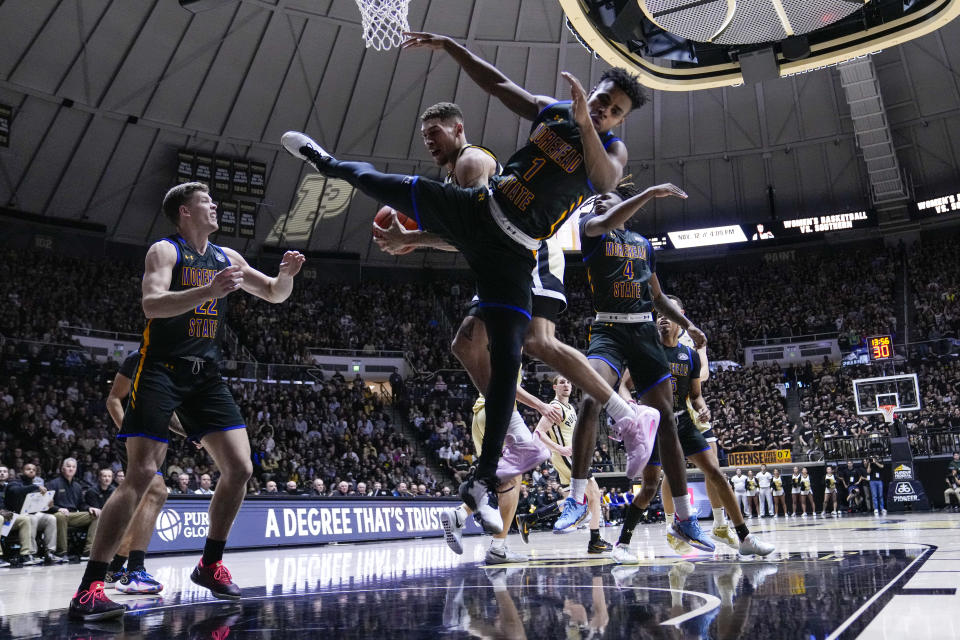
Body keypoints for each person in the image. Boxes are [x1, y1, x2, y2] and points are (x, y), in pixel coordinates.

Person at [283, 33, 652, 532]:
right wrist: (449, 46)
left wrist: (589, 122)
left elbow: (605, 182)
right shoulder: (554, 112)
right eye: (602, 99)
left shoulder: (608, 145)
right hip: (486, 214)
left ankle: (604, 424)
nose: (605, 110)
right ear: (593, 89)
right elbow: (497, 83)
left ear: (620, 120)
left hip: (523, 249)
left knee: (519, 353)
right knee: (402, 198)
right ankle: (325, 162)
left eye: (615, 110)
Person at [68, 181, 305, 620]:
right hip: (159, 369)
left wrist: (286, 277)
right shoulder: (165, 251)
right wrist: (208, 292)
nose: (214, 206)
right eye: (205, 202)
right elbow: (152, 305)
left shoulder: (227, 258)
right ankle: (90, 587)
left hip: (205, 376)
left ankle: (210, 564)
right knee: (140, 474)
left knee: (240, 467)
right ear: (184, 212)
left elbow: (272, 292)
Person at [554, 183, 713, 552]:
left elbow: (656, 296)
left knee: (668, 419)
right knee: (591, 399)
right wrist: (651, 193)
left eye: (605, 199)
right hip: (608, 328)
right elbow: (605, 218)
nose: (598, 204)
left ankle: (686, 519)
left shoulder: (643, 243)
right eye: (595, 202)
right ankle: (576, 499)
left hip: (643, 328)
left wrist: (688, 325)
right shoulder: (591, 229)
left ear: (622, 203)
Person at [611, 303, 773, 560]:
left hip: (683, 422)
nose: (663, 319)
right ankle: (622, 544)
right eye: (659, 315)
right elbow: (623, 386)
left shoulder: (690, 355)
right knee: (650, 486)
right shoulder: (646, 351)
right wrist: (629, 405)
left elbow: (695, 396)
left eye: (669, 315)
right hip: (654, 424)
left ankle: (744, 537)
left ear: (679, 320)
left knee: (716, 473)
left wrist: (703, 409)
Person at [103, 349, 191, 594]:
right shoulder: (139, 356)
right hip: (137, 435)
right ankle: (134, 571)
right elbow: (113, 399)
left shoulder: (177, 360)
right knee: (157, 491)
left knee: (148, 501)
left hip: (158, 438)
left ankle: (115, 567)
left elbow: (169, 414)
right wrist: (131, 432)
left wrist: (189, 433)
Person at [526, 375, 612, 554]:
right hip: (568, 457)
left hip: (570, 457)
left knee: (576, 500)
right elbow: (538, 433)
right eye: (561, 382)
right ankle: (595, 540)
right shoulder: (556, 407)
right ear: (555, 387)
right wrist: (560, 449)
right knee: (594, 494)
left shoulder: (569, 407)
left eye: (568, 381)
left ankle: (529, 519)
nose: (566, 384)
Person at [46, 457, 98, 559]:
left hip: (74, 515)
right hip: (57, 515)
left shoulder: (77, 486)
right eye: (68, 466)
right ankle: (62, 552)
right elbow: (47, 504)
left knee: (96, 515)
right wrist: (58, 509)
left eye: (73, 467)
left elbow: (81, 504)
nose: (71, 469)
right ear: (62, 468)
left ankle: (89, 551)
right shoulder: (53, 483)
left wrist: (89, 508)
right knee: (61, 516)